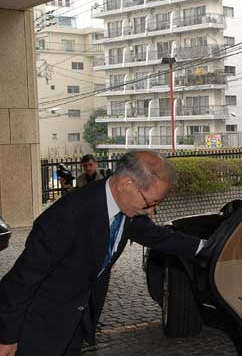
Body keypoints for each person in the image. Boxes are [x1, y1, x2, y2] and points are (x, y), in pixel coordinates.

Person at [0, 150, 204, 356]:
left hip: (74, 326)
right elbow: (22, 280)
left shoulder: (128, 211)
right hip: (36, 329)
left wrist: (209, 248)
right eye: (150, 202)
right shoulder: (67, 215)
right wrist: (6, 337)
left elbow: (159, 237)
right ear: (126, 184)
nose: (151, 211)